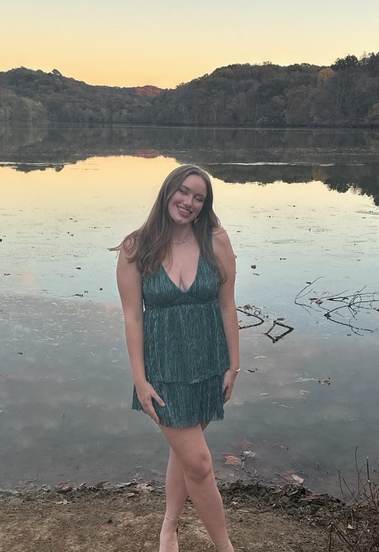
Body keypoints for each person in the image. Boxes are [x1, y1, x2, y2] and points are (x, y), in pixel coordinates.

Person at [114, 164, 240, 551]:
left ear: (205, 205)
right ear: (168, 191)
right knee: (199, 463)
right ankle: (225, 547)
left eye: (199, 197)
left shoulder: (216, 240)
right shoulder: (135, 248)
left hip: (209, 363)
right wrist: (140, 380)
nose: (188, 202)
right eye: (183, 191)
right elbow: (133, 317)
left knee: (185, 453)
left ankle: (169, 526)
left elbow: (227, 305)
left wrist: (233, 364)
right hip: (163, 370)